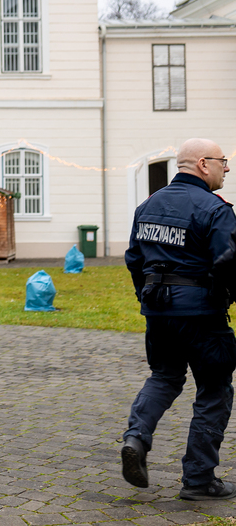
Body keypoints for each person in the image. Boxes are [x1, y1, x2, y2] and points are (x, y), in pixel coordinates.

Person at [121, 138, 236, 500]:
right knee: (214, 391)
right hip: (202, 315)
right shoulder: (215, 209)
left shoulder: (147, 205)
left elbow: (134, 259)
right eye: (222, 161)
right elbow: (228, 263)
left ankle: (136, 438)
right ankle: (199, 480)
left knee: (165, 377)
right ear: (203, 164)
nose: (226, 168)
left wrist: (146, 296)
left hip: (158, 312)